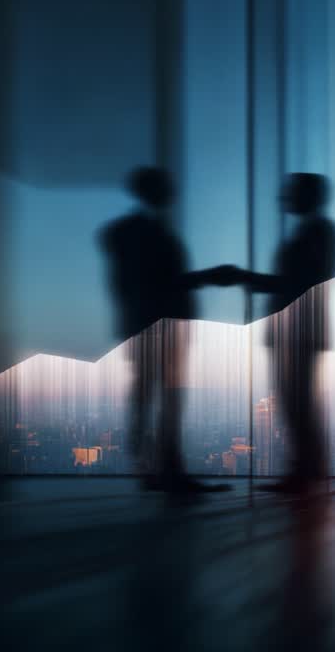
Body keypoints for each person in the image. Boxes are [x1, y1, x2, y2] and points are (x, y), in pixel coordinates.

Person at [98, 165, 234, 495]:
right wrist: (205, 277)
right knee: (165, 397)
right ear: (154, 191)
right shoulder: (139, 232)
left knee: (150, 395)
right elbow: (155, 282)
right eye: (167, 187)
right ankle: (167, 473)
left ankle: (156, 470)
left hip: (151, 324)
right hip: (159, 325)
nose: (174, 192)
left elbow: (133, 283)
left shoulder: (130, 231)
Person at [234, 173, 335, 494]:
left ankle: (306, 472)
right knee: (298, 400)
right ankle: (307, 471)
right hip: (298, 329)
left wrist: (248, 278)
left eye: (291, 193)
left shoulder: (317, 234)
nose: (284, 199)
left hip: (298, 330)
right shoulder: (320, 233)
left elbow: (297, 283)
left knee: (298, 401)